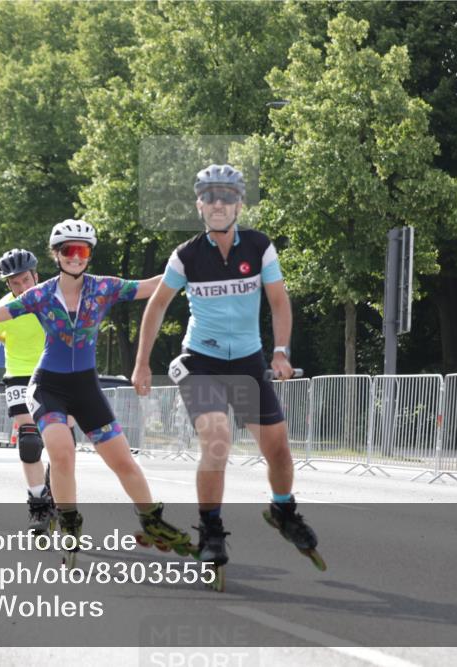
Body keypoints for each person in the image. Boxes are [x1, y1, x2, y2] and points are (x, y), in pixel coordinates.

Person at [0, 219, 192, 558]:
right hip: (48, 386)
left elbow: (150, 286)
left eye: (82, 250)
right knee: (62, 453)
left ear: (89, 254)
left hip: (86, 387)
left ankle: (152, 519)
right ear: (56, 255)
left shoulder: (103, 287)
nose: (75, 257)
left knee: (123, 462)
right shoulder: (41, 295)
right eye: (67, 251)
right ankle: (69, 519)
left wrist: (189, 263)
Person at [131, 163, 323, 576]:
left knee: (279, 451)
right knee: (217, 438)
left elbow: (278, 300)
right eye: (210, 197)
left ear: (239, 204)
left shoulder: (258, 246)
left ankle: (283, 511)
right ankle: (212, 530)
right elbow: (158, 304)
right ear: (199, 205)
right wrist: (142, 363)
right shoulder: (186, 255)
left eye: (228, 197)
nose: (219, 204)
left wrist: (281, 351)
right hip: (201, 362)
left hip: (249, 364)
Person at [0, 248, 58, 534]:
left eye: (25, 280)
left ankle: (54, 487)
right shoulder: (2, 310)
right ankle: (39, 505)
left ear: (35, 276)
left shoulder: (55, 298)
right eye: (14, 283)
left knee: (56, 441)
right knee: (29, 443)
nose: (21, 287)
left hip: (55, 372)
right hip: (18, 375)